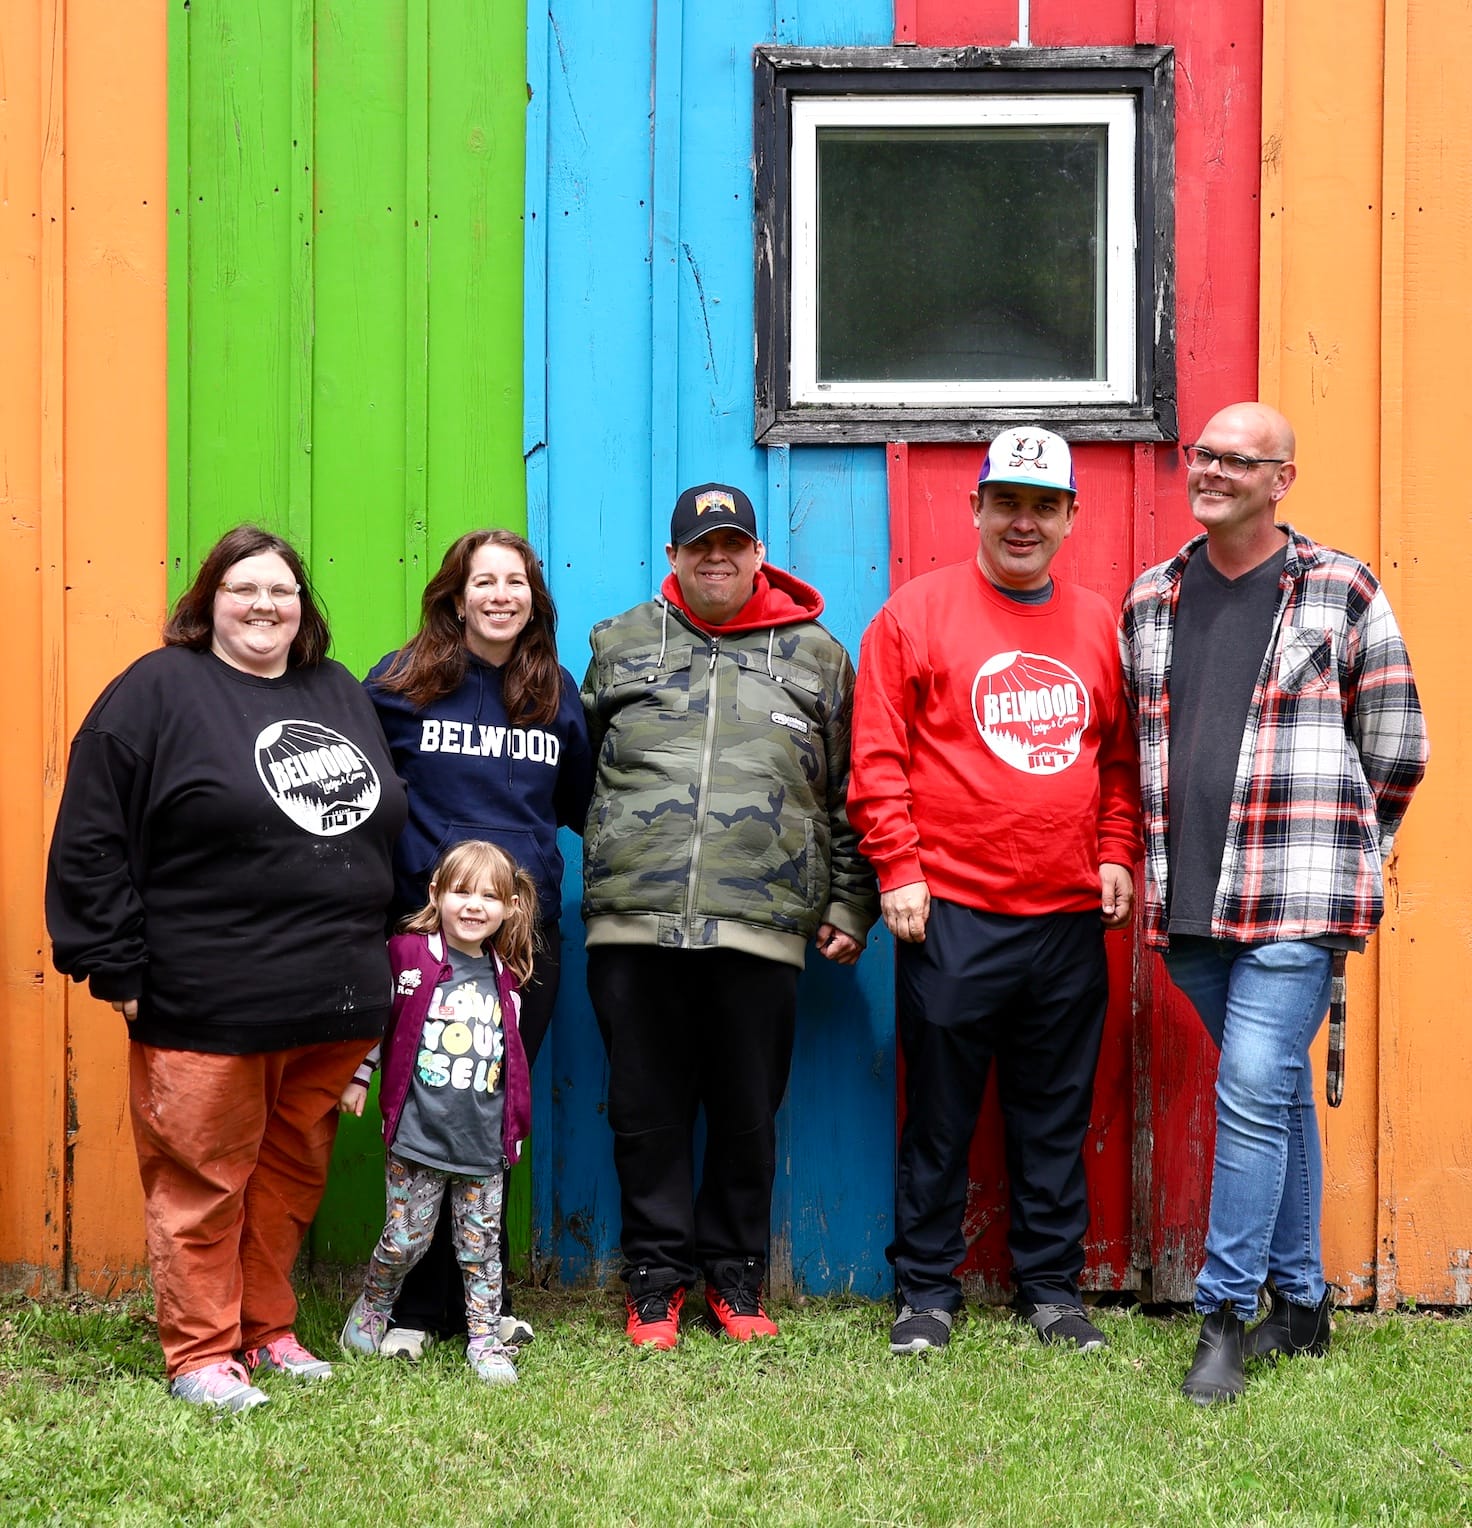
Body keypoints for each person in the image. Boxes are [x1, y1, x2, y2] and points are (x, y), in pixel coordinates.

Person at [45, 525, 407, 1412]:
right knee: (202, 1181)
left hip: (331, 1001)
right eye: (243, 588)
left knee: (287, 1182)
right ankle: (202, 1353)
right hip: (208, 996)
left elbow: (377, 823)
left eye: (281, 590)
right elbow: (91, 834)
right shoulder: (157, 690)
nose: (263, 605)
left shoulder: (334, 689)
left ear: (303, 608)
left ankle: (266, 1330)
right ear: (207, 601)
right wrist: (114, 962)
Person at [1119, 402, 1428, 1403]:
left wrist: (1343, 849)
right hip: (1188, 902)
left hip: (1297, 895)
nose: (1208, 470)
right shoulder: (1151, 598)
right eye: (1200, 454)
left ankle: (1221, 1314)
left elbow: (1396, 745)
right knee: (1276, 1092)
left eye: (1234, 460)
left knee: (1250, 1086)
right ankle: (1300, 1304)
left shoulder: (1339, 589)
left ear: (1279, 479)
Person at [848, 428, 1141, 1357]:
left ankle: (1051, 1289)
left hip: (1066, 918)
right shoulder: (915, 614)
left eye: (1043, 506)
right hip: (953, 912)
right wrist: (898, 867)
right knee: (938, 1119)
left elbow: (1120, 761)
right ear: (974, 506)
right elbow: (877, 757)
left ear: (1070, 518)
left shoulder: (1097, 625)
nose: (1024, 522)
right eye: (1006, 501)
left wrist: (1116, 850)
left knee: (1054, 1116)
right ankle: (926, 1293)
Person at [581, 482, 878, 1347]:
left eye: (732, 544)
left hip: (763, 923)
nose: (717, 558)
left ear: (758, 556)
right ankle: (654, 1281)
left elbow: (851, 793)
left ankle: (736, 1276)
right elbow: (581, 771)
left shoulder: (818, 655)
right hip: (635, 920)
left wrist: (849, 901)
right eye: (700, 546)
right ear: (673, 557)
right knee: (645, 1111)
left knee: (748, 1112)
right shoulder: (619, 642)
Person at [365, 528, 594, 1357]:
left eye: (516, 582)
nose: (501, 595)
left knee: (487, 1114)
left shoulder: (554, 692)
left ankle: (478, 1305)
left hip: (522, 943)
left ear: (533, 599)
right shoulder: (399, 684)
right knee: (436, 1109)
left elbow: (573, 801)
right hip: (430, 940)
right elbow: (364, 797)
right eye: (484, 582)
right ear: (456, 599)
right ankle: (420, 1309)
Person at [339, 840, 535, 1386]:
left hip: (482, 1145)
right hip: (418, 1138)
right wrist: (359, 1077)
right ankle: (374, 1305)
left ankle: (484, 1339)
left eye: (489, 896)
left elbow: (511, 1063)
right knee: (406, 1241)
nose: (474, 905)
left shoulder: (508, 979)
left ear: (510, 907)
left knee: (481, 1250)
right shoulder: (408, 956)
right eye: (461, 892)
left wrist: (512, 1130)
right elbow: (383, 1024)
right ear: (436, 894)